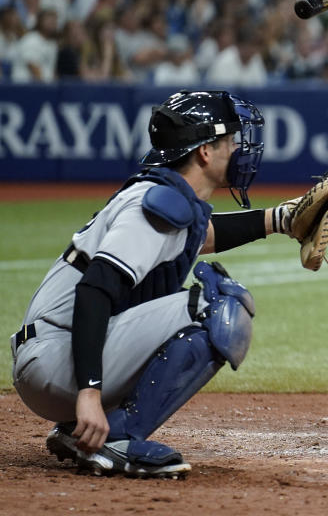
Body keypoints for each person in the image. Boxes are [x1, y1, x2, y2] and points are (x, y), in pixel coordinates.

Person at [9, 90, 301, 478]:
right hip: (56, 361)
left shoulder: (166, 200)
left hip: (54, 357)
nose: (237, 149)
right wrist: (90, 393)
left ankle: (84, 431)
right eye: (229, 140)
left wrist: (281, 219)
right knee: (217, 306)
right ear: (205, 153)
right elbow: (95, 290)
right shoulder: (155, 204)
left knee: (195, 305)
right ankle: (119, 436)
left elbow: (203, 235)